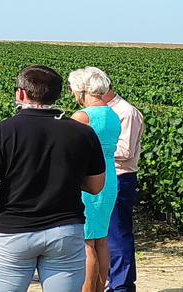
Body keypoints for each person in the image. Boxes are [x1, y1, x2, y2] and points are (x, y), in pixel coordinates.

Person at [0, 65, 107, 292]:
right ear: (58, 94)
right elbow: (95, 186)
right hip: (65, 231)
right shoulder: (83, 132)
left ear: (20, 94)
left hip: (12, 232)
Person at [66, 67, 121, 292]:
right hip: (108, 178)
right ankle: (99, 288)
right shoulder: (112, 114)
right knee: (101, 239)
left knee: (86, 242)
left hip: (88, 180)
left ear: (82, 90)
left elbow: (68, 152)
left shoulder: (83, 116)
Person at [103, 73, 146, 292]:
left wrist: (94, 148)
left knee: (117, 235)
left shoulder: (126, 113)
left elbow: (125, 151)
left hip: (120, 178)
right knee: (106, 235)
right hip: (103, 177)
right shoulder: (103, 111)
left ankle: (122, 286)